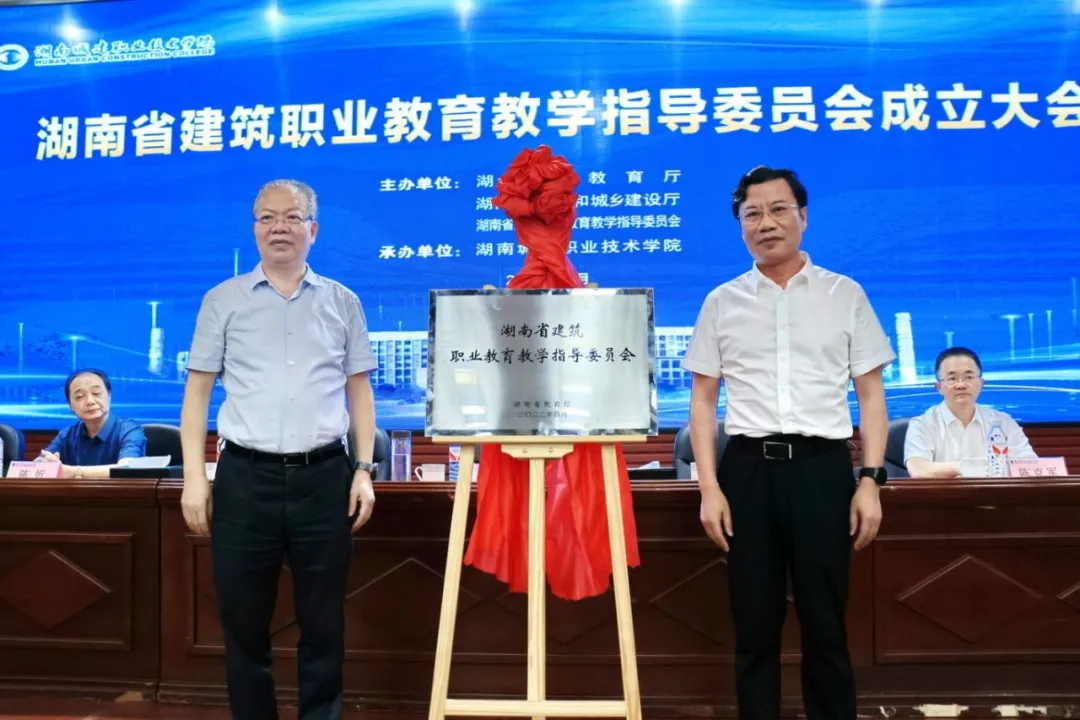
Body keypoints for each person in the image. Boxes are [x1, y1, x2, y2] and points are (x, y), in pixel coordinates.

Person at [682, 166, 896, 720]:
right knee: (754, 625)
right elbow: (702, 404)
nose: (766, 223)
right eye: (751, 214)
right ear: (740, 226)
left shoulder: (844, 295)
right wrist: (710, 489)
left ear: (803, 217)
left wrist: (870, 481)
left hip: (822, 470)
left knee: (826, 623)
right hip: (747, 472)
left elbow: (871, 396)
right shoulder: (721, 302)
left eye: (778, 210)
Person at [179, 179, 379, 720]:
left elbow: (359, 390)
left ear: (313, 229)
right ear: (254, 230)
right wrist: (195, 478)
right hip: (246, 479)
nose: (278, 228)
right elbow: (197, 393)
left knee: (324, 622)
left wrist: (363, 470)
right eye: (266, 218)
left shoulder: (343, 301)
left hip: (325, 478)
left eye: (291, 217)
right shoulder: (222, 300)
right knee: (243, 622)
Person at [904, 346, 1036, 477]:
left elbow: (1030, 468)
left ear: (981, 383)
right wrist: (969, 468)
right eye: (952, 379)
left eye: (968, 377)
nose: (961, 385)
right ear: (938, 387)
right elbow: (919, 470)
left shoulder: (1003, 422)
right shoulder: (922, 424)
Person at [37, 368, 146, 478]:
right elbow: (37, 467)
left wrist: (72, 472)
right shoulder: (66, 435)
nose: (90, 401)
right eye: (80, 396)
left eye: (96, 393)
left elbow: (126, 470)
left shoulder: (130, 430)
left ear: (109, 396)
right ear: (70, 406)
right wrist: (47, 464)